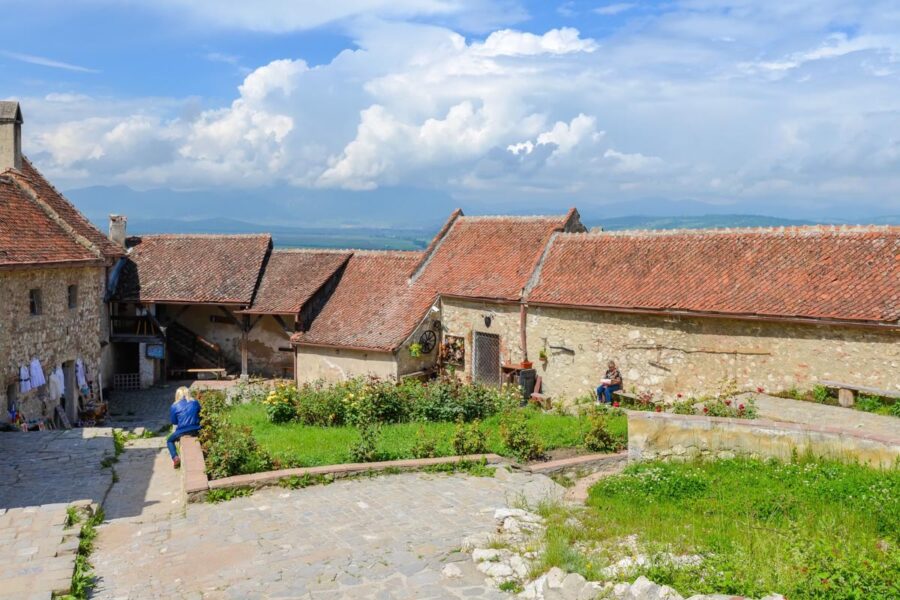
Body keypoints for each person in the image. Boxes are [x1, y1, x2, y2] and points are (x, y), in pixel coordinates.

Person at [167, 386, 201, 469]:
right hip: (196, 428)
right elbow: (200, 414)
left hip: (182, 431)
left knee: (169, 440)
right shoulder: (195, 402)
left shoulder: (174, 406)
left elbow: (174, 422)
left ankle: (175, 457)